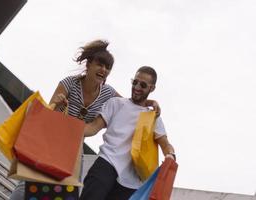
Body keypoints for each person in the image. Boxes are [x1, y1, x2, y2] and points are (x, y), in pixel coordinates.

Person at [9, 40, 160, 199]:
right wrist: (57, 103)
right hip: (52, 140)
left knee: (66, 190)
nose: (103, 70)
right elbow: (48, 113)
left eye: (107, 67)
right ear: (88, 64)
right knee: (28, 184)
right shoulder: (69, 83)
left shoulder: (107, 93)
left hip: (75, 146)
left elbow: (130, 105)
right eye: (100, 64)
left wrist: (150, 102)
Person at [79, 66, 175, 200]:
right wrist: (66, 128)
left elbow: (165, 144)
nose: (137, 87)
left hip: (131, 180)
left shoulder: (153, 117)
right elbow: (92, 128)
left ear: (152, 88)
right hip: (107, 162)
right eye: (135, 82)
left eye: (143, 85)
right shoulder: (116, 103)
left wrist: (170, 155)